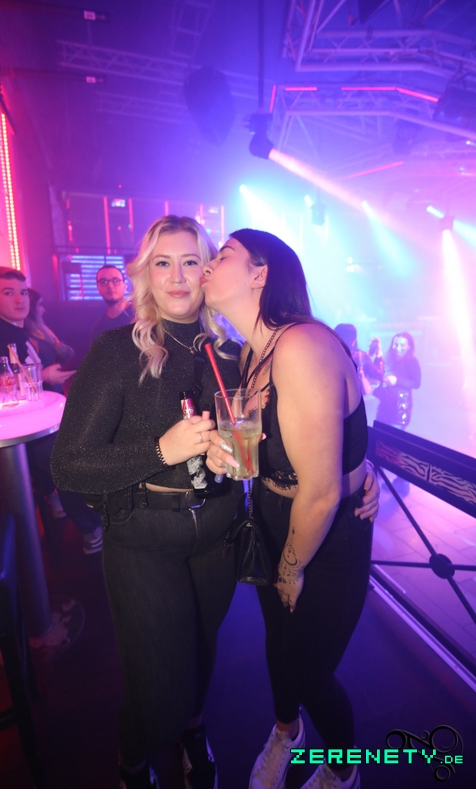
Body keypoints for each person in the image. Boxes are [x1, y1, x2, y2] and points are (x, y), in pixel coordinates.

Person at [51, 216, 244, 789]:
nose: (177, 276)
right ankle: (132, 760)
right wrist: (162, 449)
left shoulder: (231, 353)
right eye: (163, 262)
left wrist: (355, 468)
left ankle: (194, 730)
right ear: (146, 274)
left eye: (190, 262)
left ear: (207, 272)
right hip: (142, 534)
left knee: (203, 650)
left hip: (220, 526)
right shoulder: (116, 351)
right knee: (157, 689)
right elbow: (68, 464)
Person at [202, 230, 378, 789]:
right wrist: (227, 454)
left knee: (311, 672)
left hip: (326, 533)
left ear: (260, 273)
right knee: (277, 645)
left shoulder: (301, 345)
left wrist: (290, 567)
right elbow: (277, 449)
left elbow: (321, 490)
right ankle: (287, 733)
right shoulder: (251, 352)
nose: (207, 265)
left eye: (221, 255)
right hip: (271, 516)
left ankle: (343, 769)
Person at [0, 267, 102, 553]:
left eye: (23, 292)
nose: (19, 299)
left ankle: (67, 501)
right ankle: (91, 529)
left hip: (41, 420)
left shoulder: (19, 329)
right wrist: (43, 377)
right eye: (8, 293)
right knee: (69, 455)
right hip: (17, 433)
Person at [24, 288, 75, 392]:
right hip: (39, 390)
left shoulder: (43, 329)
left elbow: (65, 356)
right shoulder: (24, 334)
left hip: (55, 387)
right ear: (31, 307)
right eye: (40, 305)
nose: (44, 310)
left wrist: (63, 350)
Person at [375, 332, 421, 430]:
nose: (398, 347)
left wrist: (397, 381)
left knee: (392, 437)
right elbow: (377, 372)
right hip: (385, 406)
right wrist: (378, 353)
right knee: (379, 434)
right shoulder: (388, 358)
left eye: (402, 345)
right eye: (395, 344)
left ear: (409, 347)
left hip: (400, 408)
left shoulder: (412, 361)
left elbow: (416, 383)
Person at [334, 324, 384, 396]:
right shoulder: (360, 355)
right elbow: (378, 375)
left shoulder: (329, 355)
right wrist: (379, 354)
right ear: (353, 340)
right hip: (356, 398)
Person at [90, 263, 134, 342]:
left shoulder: (141, 315)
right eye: (104, 282)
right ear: (98, 288)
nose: (110, 286)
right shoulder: (98, 330)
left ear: (124, 286)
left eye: (115, 281)